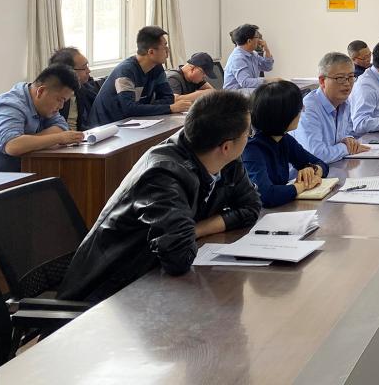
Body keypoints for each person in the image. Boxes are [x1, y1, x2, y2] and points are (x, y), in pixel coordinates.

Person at [58, 91, 263, 302]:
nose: (249, 137)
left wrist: (196, 230)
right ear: (226, 147)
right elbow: (178, 258)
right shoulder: (162, 174)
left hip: (149, 281)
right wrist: (190, 233)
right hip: (107, 296)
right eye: (248, 133)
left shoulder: (224, 159)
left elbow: (251, 206)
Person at [242, 81, 329, 208]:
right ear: (284, 115)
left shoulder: (284, 139)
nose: (303, 110)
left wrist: (313, 171)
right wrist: (303, 185)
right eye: (299, 108)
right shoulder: (252, 148)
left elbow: (322, 164)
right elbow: (265, 195)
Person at [89, 26, 191, 127]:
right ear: (151, 52)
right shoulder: (126, 71)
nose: (167, 51)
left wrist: (143, 108)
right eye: (164, 47)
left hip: (133, 122)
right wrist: (170, 108)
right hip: (105, 126)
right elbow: (129, 109)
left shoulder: (157, 67)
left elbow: (168, 98)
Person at [0, 65, 84, 171]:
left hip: (27, 168)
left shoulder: (44, 105)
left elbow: (61, 126)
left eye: (64, 101)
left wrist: (27, 142)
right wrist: (59, 138)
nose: (61, 106)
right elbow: (12, 146)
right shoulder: (10, 105)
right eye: (60, 100)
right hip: (2, 176)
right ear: (41, 91)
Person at [292, 52, 369, 163]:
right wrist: (346, 148)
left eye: (351, 77)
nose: (347, 83)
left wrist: (349, 139)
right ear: (322, 81)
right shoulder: (308, 109)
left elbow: (349, 132)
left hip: (335, 166)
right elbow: (315, 155)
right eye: (340, 78)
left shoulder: (344, 103)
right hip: (305, 172)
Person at [49, 46, 97, 131]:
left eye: (87, 66)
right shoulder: (52, 97)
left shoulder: (82, 88)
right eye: (84, 68)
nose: (89, 71)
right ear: (68, 72)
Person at [224, 24, 275, 91]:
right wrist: (269, 81)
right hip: (234, 94)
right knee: (269, 92)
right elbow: (245, 82)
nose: (259, 40)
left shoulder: (253, 54)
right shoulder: (237, 58)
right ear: (249, 41)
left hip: (247, 90)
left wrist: (266, 49)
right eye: (257, 37)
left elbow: (268, 67)